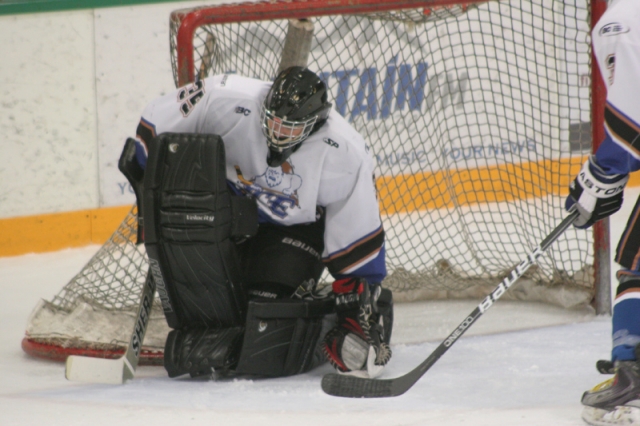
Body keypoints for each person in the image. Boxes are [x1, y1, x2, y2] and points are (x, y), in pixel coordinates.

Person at [130, 66, 392, 379]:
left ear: (315, 123)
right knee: (209, 307)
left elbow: (357, 236)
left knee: (259, 315)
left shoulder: (346, 154)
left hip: (294, 230)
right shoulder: (223, 96)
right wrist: (150, 199)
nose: (278, 133)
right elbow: (153, 127)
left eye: (290, 128)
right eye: (273, 121)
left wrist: (355, 307)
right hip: (230, 215)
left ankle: (346, 317)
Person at [564, 0, 640, 424]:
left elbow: (632, 113)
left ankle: (632, 379)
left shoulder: (621, 19)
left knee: (638, 263)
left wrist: (600, 176)